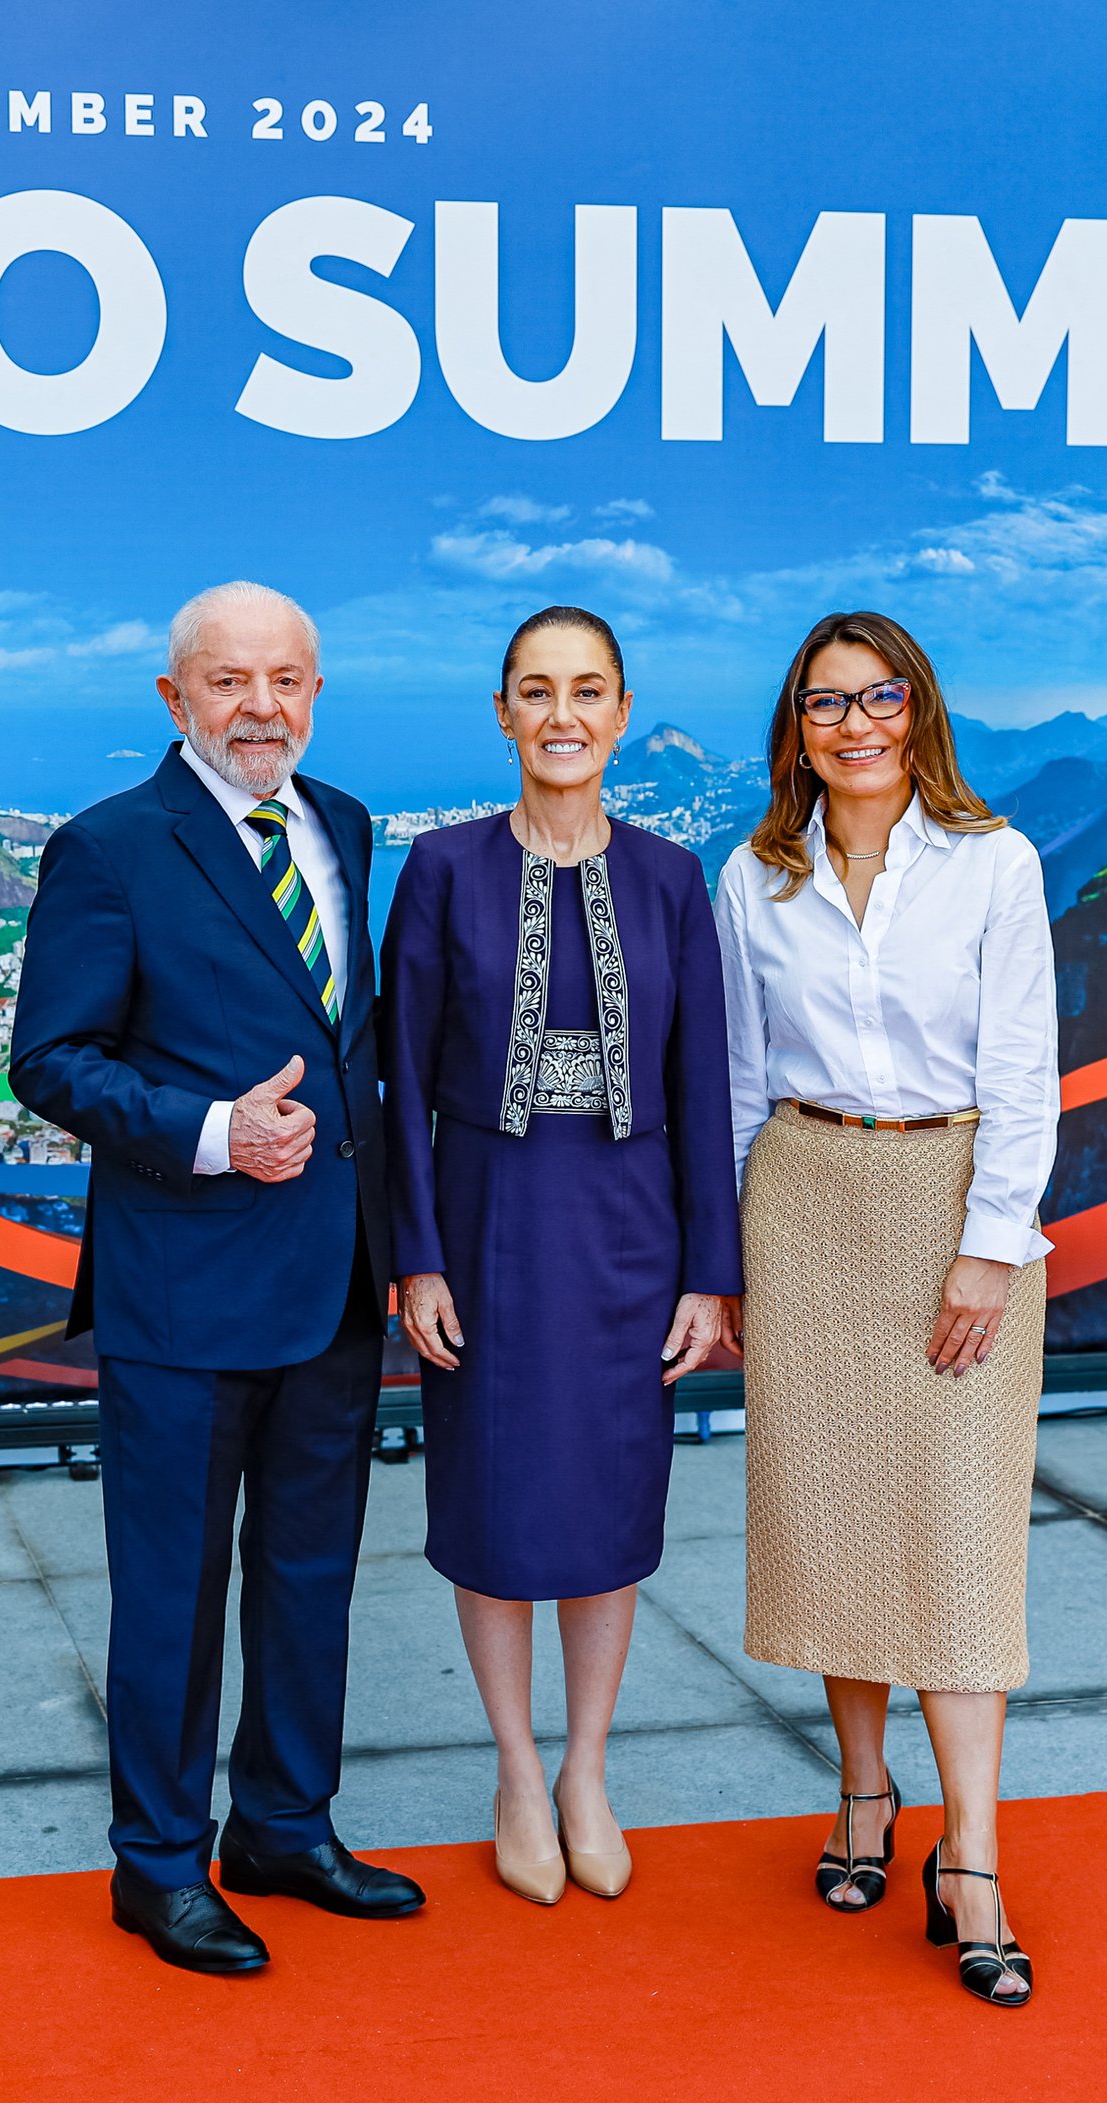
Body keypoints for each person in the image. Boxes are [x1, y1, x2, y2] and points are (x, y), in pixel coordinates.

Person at [11, 580, 424, 1977]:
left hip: (331, 1277)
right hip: (182, 1285)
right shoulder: (109, 849)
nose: (261, 706)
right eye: (230, 680)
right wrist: (209, 1133)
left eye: (287, 679)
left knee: (310, 1572)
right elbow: (52, 1058)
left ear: (316, 692)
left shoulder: (345, 824)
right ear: (172, 698)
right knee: (173, 1591)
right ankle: (158, 1868)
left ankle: (285, 1827)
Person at [713, 610, 1059, 2008]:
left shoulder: (993, 862)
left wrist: (988, 1246)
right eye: (821, 706)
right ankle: (862, 1792)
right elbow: (737, 1081)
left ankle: (968, 1852)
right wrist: (727, 1257)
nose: (852, 726)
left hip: (953, 1202)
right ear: (793, 730)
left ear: (918, 708)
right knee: (836, 1515)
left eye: (877, 697)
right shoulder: (753, 873)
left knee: (956, 1528)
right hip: (801, 1200)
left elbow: (1026, 1069)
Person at [380, 606, 740, 1907]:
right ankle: (515, 1772)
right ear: (500, 715)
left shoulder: (667, 879)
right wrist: (414, 1257)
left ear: (621, 711)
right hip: (484, 1225)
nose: (560, 716)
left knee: (603, 1504)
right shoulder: (441, 873)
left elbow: (703, 1084)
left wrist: (712, 1272)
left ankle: (588, 1767)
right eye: (534, 691)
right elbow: (398, 1082)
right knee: (490, 1497)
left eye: (585, 691)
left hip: (629, 1232)